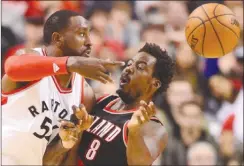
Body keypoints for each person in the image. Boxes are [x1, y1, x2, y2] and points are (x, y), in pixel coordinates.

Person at [2, 10, 124, 165]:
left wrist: (64, 144)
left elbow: (54, 160)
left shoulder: (84, 93)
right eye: (81, 34)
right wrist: (69, 63)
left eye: (89, 34)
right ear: (57, 38)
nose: (89, 42)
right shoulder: (31, 58)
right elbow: (12, 68)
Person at [43, 43, 175, 166]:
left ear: (154, 84)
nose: (129, 68)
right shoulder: (99, 101)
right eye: (130, 63)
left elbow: (140, 163)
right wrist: (67, 140)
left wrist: (134, 132)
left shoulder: (154, 127)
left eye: (140, 67)